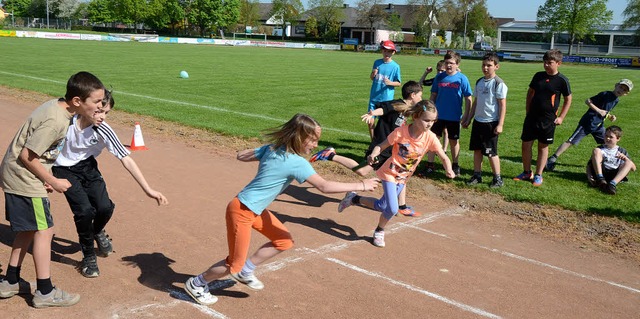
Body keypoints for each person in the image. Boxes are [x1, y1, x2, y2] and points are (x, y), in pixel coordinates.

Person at [183, 114, 378, 305]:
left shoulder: (273, 148)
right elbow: (324, 187)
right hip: (242, 210)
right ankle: (197, 283)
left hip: (253, 209)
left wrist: (260, 152)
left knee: (283, 241)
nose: (315, 145)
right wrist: (361, 185)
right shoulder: (297, 163)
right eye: (313, 140)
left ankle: (246, 271)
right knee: (234, 264)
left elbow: (240, 155)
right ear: (299, 137)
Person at [0, 72, 105, 308]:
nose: (101, 106)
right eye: (97, 102)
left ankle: (10, 280)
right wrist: (52, 180)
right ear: (77, 101)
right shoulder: (56, 120)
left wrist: (44, 176)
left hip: (22, 175)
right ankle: (45, 291)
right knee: (45, 231)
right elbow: (28, 156)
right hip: (24, 178)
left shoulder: (61, 109)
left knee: (28, 230)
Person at [52, 90, 169, 278]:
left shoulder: (103, 129)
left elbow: (127, 159)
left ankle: (96, 231)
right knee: (84, 211)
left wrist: (148, 189)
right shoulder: (66, 123)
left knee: (104, 208)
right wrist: (47, 178)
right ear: (86, 106)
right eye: (99, 111)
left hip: (87, 167)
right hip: (63, 169)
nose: (102, 117)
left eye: (106, 113)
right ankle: (89, 256)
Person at [337, 100, 455, 248]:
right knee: (392, 208)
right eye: (426, 120)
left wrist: (448, 169)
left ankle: (354, 198)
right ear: (416, 117)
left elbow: (443, 157)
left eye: (433, 121)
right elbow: (381, 146)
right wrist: (373, 154)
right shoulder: (401, 132)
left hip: (403, 177)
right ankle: (379, 231)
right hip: (389, 172)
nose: (430, 124)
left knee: (382, 206)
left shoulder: (430, 137)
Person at [310, 81, 423, 217]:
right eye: (420, 96)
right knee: (362, 171)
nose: (421, 99)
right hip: (381, 147)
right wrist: (372, 114)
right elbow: (384, 109)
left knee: (400, 174)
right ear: (412, 95)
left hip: (392, 149)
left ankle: (402, 206)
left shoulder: (408, 110)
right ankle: (330, 155)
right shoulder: (397, 104)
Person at [514, 49, 572, 186]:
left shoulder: (562, 80)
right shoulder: (538, 76)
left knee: (542, 147)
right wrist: (528, 110)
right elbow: (530, 93)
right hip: (532, 117)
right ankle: (527, 172)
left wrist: (561, 117)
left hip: (548, 120)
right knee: (526, 144)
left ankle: (539, 174)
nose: (546, 65)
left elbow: (568, 99)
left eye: (549, 63)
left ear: (558, 63)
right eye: (544, 62)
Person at [546, 79, 632, 171]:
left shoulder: (616, 100)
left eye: (624, 90)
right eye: (620, 87)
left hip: (598, 125)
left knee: (607, 142)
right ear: (616, 85)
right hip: (588, 122)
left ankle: (604, 162)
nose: (621, 90)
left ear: (626, 94)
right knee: (571, 141)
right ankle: (552, 159)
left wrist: (610, 116)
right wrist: (598, 110)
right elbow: (588, 101)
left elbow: (605, 110)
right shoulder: (605, 94)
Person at [422, 51, 473, 177]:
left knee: (453, 141)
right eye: (446, 63)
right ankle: (430, 164)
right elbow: (433, 95)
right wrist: (430, 111)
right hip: (438, 116)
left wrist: (466, 115)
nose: (449, 65)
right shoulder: (439, 77)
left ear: (457, 64)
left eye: (451, 63)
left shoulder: (462, 78)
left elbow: (468, 98)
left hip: (454, 117)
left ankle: (455, 165)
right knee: (434, 139)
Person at [462, 52, 507, 188]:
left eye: (489, 65)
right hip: (478, 121)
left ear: (496, 67)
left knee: (490, 152)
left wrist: (500, 124)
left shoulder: (498, 83)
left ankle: (497, 178)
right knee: (477, 150)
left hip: (491, 123)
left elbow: (502, 105)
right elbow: (476, 102)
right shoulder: (479, 81)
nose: (486, 68)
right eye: (484, 65)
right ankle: (477, 175)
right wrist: (469, 119)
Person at [586, 125, 636, 195]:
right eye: (606, 136)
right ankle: (601, 180)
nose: (607, 138)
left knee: (628, 162)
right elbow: (589, 164)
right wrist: (589, 176)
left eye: (611, 137)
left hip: (614, 174)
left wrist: (625, 158)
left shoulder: (621, 151)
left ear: (618, 139)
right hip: (601, 172)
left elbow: (633, 168)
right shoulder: (600, 149)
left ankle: (612, 185)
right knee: (596, 150)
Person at [367, 40, 402, 140]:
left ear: (393, 52)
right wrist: (373, 74)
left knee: (383, 123)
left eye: (389, 51)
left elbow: (399, 83)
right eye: (385, 51)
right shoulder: (377, 62)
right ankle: (373, 141)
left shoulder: (395, 67)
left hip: (386, 98)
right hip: (374, 96)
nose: (387, 53)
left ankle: (382, 142)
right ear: (382, 51)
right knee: (370, 120)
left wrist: (390, 83)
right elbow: (372, 78)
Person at [419, 60, 449, 154]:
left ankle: (444, 149)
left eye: (442, 70)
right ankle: (435, 148)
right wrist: (426, 73)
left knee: (446, 130)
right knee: (436, 130)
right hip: (435, 108)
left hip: (447, 108)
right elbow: (420, 84)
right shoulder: (436, 79)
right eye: (438, 70)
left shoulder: (450, 79)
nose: (439, 72)